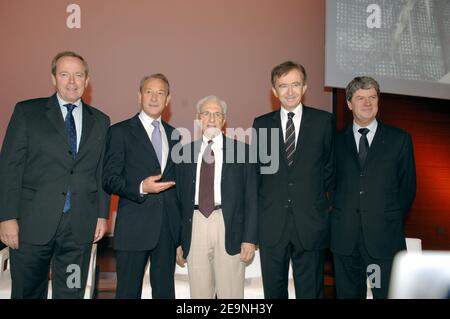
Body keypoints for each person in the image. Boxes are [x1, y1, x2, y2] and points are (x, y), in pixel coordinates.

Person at [0, 51, 110, 298]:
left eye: (78, 75)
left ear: (87, 79)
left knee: (71, 292)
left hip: (79, 228)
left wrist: (102, 215)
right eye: (64, 74)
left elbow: (100, 171)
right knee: (28, 293)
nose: (72, 81)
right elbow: (9, 167)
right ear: (53, 79)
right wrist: (6, 217)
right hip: (31, 225)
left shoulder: (101, 121)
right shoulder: (28, 112)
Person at [252, 61, 334, 298]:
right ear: (274, 91)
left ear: (305, 87)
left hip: (310, 225)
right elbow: (258, 174)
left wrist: (324, 213)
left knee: (311, 292)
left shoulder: (323, 122)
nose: (289, 91)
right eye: (283, 86)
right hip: (272, 226)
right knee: (273, 294)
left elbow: (330, 172)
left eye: (295, 84)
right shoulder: (261, 124)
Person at [331, 76, 416, 299]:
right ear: (349, 104)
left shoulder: (400, 140)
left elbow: (407, 188)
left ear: (378, 101)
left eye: (372, 97)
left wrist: (387, 219)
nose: (367, 103)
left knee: (385, 294)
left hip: (383, 241)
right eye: (360, 98)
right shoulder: (334, 141)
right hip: (345, 241)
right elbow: (329, 184)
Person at [102, 73, 180, 299]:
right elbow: (109, 178)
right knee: (128, 292)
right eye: (149, 92)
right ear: (139, 96)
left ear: (168, 99)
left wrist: (181, 235)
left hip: (167, 231)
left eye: (160, 93)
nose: (154, 98)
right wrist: (141, 187)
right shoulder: (119, 132)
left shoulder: (174, 135)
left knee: (165, 293)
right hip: (134, 228)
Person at [175, 95, 257, 298]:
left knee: (231, 294)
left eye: (217, 114)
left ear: (224, 119)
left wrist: (249, 239)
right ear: (197, 118)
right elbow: (178, 200)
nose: (211, 118)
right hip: (195, 226)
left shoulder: (244, 152)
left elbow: (252, 198)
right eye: (206, 113)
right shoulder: (184, 153)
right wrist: (178, 240)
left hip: (229, 227)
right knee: (200, 295)